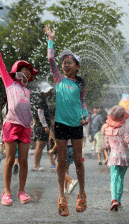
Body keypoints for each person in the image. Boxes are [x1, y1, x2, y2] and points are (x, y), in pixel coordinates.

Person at [0, 26, 38, 206]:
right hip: (11, 125)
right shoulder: (10, 84)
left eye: (28, 71)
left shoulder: (28, 91)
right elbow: (0, 63)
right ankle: (7, 192)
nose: (26, 72)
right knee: (9, 159)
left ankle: (22, 191)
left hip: (25, 127)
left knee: (24, 160)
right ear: (17, 71)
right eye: (23, 69)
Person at [45, 25, 89, 216]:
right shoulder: (58, 79)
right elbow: (50, 59)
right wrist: (50, 39)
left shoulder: (80, 83)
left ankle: (82, 193)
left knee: (78, 161)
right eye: (64, 62)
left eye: (70, 62)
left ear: (77, 66)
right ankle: (62, 196)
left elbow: (83, 101)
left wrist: (85, 115)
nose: (66, 65)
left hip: (77, 125)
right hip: (61, 124)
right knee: (61, 162)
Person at [103, 105, 129, 211]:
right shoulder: (126, 128)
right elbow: (128, 140)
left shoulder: (107, 129)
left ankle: (114, 199)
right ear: (122, 118)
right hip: (124, 157)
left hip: (113, 157)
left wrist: (106, 157)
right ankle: (119, 199)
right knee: (121, 179)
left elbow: (105, 146)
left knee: (114, 178)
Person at [32, 82, 53, 171]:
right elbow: (40, 114)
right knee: (39, 146)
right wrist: (45, 126)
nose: (50, 92)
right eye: (49, 91)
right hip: (41, 126)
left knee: (41, 146)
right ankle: (36, 165)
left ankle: (37, 164)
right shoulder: (41, 100)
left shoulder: (43, 99)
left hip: (41, 125)